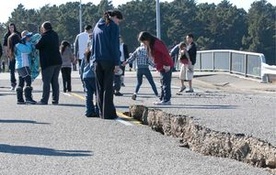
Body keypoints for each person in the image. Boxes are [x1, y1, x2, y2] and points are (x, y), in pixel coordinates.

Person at [92, 10, 123, 119]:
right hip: (109, 60)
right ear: (114, 17)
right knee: (108, 88)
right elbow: (114, 45)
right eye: (118, 21)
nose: (118, 23)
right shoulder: (113, 26)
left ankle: (101, 112)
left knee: (99, 88)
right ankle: (108, 113)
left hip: (97, 60)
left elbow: (93, 44)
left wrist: (93, 60)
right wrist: (117, 63)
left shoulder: (97, 26)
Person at [138, 31, 174, 105]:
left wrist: (166, 65)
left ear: (147, 39)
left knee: (166, 83)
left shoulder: (157, 43)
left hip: (165, 65)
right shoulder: (152, 44)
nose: (144, 44)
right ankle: (163, 99)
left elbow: (165, 54)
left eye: (144, 42)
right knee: (163, 82)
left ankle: (166, 100)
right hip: (162, 65)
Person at [35, 21, 62, 105]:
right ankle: (55, 100)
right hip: (57, 61)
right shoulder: (55, 35)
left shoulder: (44, 36)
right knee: (55, 81)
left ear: (44, 28)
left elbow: (37, 46)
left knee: (46, 81)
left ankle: (44, 100)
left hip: (48, 63)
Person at [7, 31, 36, 104]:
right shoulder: (18, 45)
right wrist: (28, 42)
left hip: (19, 66)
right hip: (23, 65)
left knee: (21, 82)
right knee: (28, 81)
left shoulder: (15, 46)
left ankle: (20, 99)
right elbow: (28, 50)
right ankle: (28, 98)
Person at [80, 47, 98, 117]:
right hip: (94, 76)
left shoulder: (85, 55)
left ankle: (89, 111)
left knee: (89, 95)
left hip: (86, 76)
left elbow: (81, 68)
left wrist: (82, 77)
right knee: (97, 95)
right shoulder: (95, 55)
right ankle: (97, 110)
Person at [3, 23, 21, 90]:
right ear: (8, 28)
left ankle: (20, 84)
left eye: (12, 27)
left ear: (14, 27)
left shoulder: (18, 34)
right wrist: (7, 54)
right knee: (12, 70)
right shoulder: (6, 35)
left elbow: (21, 43)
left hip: (18, 54)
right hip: (11, 54)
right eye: (10, 27)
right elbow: (5, 45)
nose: (11, 29)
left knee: (20, 69)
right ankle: (13, 84)